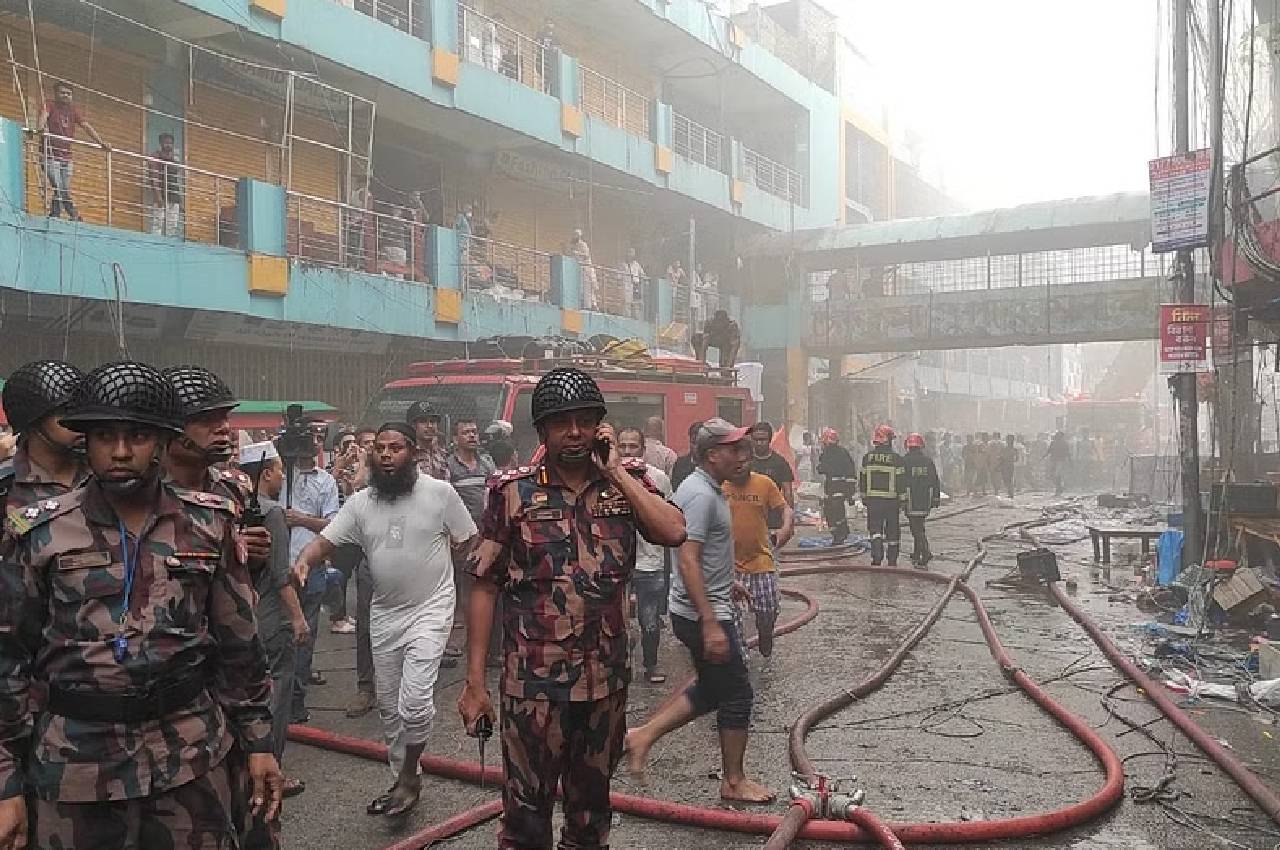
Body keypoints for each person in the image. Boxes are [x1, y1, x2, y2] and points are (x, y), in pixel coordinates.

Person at [0, 360, 282, 850]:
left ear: (163, 441)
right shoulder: (38, 533)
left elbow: (240, 646)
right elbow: (8, 659)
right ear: (86, 441)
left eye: (137, 436)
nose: (122, 452)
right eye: (105, 436)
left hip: (190, 754)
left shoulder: (208, 524)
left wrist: (258, 742)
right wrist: (6, 782)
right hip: (76, 765)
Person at [458, 368, 685, 849]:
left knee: (590, 816)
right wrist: (474, 682)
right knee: (525, 820)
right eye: (563, 422)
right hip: (532, 688)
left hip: (604, 686)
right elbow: (483, 585)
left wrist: (616, 471)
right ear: (542, 431)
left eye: (585, 420)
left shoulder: (630, 484)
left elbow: (672, 532)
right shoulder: (511, 492)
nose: (576, 432)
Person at [295, 423, 477, 817]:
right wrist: (304, 561)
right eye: (379, 448)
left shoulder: (440, 493)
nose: (387, 454)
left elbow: (468, 541)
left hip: (431, 608)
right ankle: (402, 780)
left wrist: (466, 597)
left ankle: (410, 775)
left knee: (413, 703)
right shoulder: (361, 502)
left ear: (412, 452)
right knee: (390, 709)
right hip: (385, 612)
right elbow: (326, 540)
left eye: (396, 447)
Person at [626, 418, 774, 804]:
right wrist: (710, 621)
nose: (744, 456)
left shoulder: (707, 488)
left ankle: (642, 736)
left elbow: (704, 555)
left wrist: (727, 581)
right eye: (735, 450)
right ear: (712, 455)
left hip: (706, 603)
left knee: (713, 687)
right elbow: (687, 559)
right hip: (702, 613)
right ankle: (734, 781)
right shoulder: (701, 494)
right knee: (738, 693)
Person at [239, 441, 310, 801]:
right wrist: (298, 618)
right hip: (269, 616)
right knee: (276, 697)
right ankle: (274, 770)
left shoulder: (231, 508)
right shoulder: (273, 514)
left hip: (238, 616)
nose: (283, 475)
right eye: (280, 469)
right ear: (266, 474)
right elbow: (281, 576)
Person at [161, 365, 271, 569]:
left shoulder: (232, 490)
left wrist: (251, 555)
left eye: (224, 417)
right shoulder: (141, 493)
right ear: (172, 428)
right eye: (206, 420)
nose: (224, 428)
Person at [282, 425, 341, 723]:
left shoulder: (326, 481)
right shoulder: (277, 475)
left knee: (305, 633)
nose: (310, 445)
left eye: (316, 439)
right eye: (304, 438)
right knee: (278, 634)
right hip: (278, 567)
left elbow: (333, 526)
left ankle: (296, 697)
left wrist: (300, 519)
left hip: (312, 568)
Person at [617, 426, 674, 684]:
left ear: (643, 449)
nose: (628, 452)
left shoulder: (658, 478)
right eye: (623, 446)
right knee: (616, 622)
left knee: (649, 621)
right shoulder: (605, 478)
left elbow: (670, 517)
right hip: (615, 564)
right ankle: (620, 666)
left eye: (633, 446)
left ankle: (651, 666)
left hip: (650, 561)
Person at [724, 463, 794, 665]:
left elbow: (785, 509)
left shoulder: (764, 483)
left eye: (743, 459)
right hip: (729, 565)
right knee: (732, 620)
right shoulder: (718, 486)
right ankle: (740, 662)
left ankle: (765, 634)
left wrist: (786, 527)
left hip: (760, 560)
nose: (739, 464)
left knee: (768, 610)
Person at [0, 360, 89, 515]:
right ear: (33, 422)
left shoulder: (107, 472)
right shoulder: (6, 486)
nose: (80, 421)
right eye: (66, 413)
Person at [445, 418, 497, 668]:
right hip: (461, 538)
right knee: (461, 590)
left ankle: (483, 642)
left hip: (485, 535)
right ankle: (459, 639)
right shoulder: (449, 466)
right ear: (456, 439)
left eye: (474, 432)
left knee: (483, 587)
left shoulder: (487, 462)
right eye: (465, 432)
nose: (472, 436)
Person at [36, 81, 108, 221]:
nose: (66, 96)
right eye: (62, 93)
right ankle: (73, 213)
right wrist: (39, 129)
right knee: (59, 185)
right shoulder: (49, 104)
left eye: (69, 94)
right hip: (49, 155)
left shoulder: (73, 110)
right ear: (56, 93)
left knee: (63, 188)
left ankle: (55, 214)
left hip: (66, 158)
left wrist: (101, 142)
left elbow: (86, 126)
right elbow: (43, 116)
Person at [860, 424, 906, 566]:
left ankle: (877, 556)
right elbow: (901, 481)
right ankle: (892, 560)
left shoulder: (867, 458)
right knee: (892, 531)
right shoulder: (896, 459)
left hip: (873, 501)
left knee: (875, 530)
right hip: (891, 501)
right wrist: (903, 500)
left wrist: (863, 497)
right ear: (889, 440)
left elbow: (862, 479)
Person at [901, 433, 941, 568]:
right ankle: (917, 552)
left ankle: (925, 551)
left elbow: (900, 481)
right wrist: (935, 499)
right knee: (919, 525)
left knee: (915, 528)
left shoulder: (904, 461)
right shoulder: (928, 461)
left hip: (910, 498)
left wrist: (900, 500)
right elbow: (935, 481)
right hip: (925, 499)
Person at [816, 427, 857, 545]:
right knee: (837, 511)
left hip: (835, 487)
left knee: (833, 511)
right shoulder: (843, 452)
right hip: (837, 487)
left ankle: (839, 534)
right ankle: (841, 533)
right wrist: (850, 493)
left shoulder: (828, 453)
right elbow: (851, 471)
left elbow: (823, 468)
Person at [148, 132, 183, 236]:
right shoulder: (156, 156)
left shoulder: (173, 159)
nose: (169, 145)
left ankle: (169, 245)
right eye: (166, 143)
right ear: (161, 143)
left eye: (171, 143)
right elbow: (154, 176)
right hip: (162, 194)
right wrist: (158, 196)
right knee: (157, 223)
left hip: (173, 195)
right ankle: (156, 244)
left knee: (172, 224)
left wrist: (180, 201)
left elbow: (176, 178)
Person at [407, 400, 450, 481]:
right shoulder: (407, 454)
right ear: (412, 425)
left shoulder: (444, 454)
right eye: (423, 422)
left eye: (432, 421)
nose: (429, 426)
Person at [570, 229, 599, 311]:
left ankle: (591, 307)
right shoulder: (574, 246)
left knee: (588, 290)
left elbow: (586, 255)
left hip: (586, 269)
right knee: (582, 289)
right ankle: (586, 305)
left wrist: (577, 253)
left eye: (576, 235)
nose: (574, 236)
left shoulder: (583, 245)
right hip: (579, 270)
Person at [671, 419, 703, 491]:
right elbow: (675, 488)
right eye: (693, 442)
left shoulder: (711, 465)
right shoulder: (680, 464)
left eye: (699, 443)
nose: (696, 447)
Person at [621, 247, 646, 318]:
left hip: (636, 286)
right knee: (627, 304)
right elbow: (619, 276)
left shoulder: (636, 264)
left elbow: (642, 274)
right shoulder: (623, 264)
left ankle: (637, 319)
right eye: (629, 252)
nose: (630, 254)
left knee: (636, 304)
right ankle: (627, 318)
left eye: (632, 252)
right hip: (627, 286)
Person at [1046, 431, 1071, 497]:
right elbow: (1049, 451)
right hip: (1053, 460)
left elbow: (1068, 453)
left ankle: (1058, 488)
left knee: (1057, 474)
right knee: (1052, 475)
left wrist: (1070, 461)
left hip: (1060, 461)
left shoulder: (1064, 443)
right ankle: (1059, 487)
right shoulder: (1053, 443)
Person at [998, 433, 1019, 498]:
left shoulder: (1013, 449)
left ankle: (1010, 493)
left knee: (1008, 479)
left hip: (1008, 465)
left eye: (1010, 440)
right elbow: (1001, 458)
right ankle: (1010, 492)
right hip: (1005, 465)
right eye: (1008, 440)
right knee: (1006, 480)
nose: (1009, 441)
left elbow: (1016, 459)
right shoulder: (1005, 449)